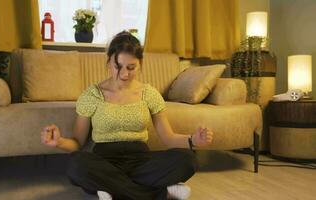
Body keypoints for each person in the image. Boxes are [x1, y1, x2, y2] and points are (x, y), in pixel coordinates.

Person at [41, 31, 213, 200]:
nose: (124, 74)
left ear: (140, 64)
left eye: (131, 68)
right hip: (104, 160)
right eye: (118, 67)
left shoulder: (149, 93)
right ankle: (160, 193)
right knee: (76, 164)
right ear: (109, 62)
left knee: (188, 160)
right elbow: (77, 143)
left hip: (141, 160)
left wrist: (193, 140)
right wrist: (59, 142)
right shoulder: (92, 95)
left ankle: (110, 190)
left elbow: (168, 137)